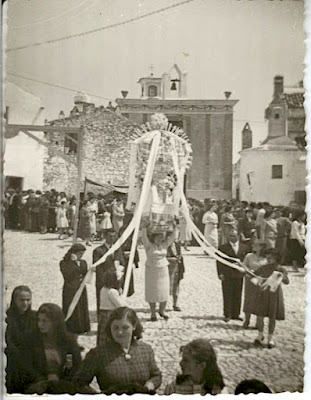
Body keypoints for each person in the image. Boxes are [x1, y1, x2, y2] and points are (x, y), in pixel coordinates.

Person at [73, 307, 162, 395]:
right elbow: (79, 383)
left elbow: (156, 375)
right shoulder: (97, 354)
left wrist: (149, 386)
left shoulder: (145, 350)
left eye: (125, 327)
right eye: (115, 328)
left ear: (134, 326)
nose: (120, 332)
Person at [20, 303, 82, 394]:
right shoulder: (32, 339)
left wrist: (62, 382)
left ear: (55, 322)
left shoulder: (68, 340)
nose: (40, 324)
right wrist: (45, 381)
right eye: (39, 320)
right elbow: (27, 366)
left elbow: (77, 365)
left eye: (45, 321)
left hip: (64, 384)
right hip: (38, 384)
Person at [251, 249, 289, 348]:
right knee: (260, 316)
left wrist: (282, 277)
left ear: (276, 258)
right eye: (267, 257)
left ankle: (270, 338)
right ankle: (260, 335)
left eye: (270, 257)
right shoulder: (263, 267)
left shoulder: (281, 268)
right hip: (263, 294)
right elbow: (253, 275)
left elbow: (287, 281)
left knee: (272, 317)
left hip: (274, 295)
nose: (268, 259)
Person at [5, 286, 37, 393]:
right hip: (13, 360)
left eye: (28, 300)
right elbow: (7, 341)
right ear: (14, 300)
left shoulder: (35, 317)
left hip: (32, 358)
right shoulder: (7, 318)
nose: (25, 303)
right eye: (22, 300)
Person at [142, 221, 176, 321]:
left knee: (164, 290)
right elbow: (144, 236)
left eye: (161, 237)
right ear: (153, 237)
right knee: (152, 291)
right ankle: (153, 313)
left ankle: (162, 310)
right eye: (157, 237)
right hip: (151, 270)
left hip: (163, 270)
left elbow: (173, 237)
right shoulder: (149, 245)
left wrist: (174, 227)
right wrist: (144, 227)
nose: (159, 239)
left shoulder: (164, 245)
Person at [216, 228, 249, 322]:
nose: (232, 238)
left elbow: (247, 261)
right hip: (227, 274)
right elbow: (219, 261)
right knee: (227, 294)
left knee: (238, 294)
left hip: (239, 274)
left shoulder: (244, 247)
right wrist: (220, 273)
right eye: (230, 236)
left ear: (238, 236)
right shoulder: (223, 248)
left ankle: (236, 313)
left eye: (234, 236)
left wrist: (246, 271)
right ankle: (227, 314)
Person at [93, 228, 125, 317]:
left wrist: (119, 272)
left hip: (116, 279)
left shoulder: (117, 249)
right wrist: (107, 279)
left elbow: (122, 262)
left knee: (116, 300)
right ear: (105, 236)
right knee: (103, 302)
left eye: (114, 236)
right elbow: (98, 268)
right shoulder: (98, 251)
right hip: (104, 281)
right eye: (110, 236)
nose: (112, 238)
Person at [60, 244, 90, 334]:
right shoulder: (64, 263)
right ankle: (72, 328)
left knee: (81, 307)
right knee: (72, 306)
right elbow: (67, 274)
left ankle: (82, 327)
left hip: (81, 287)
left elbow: (85, 273)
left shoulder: (83, 262)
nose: (81, 256)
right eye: (80, 254)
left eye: (82, 254)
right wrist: (72, 262)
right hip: (70, 288)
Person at [97, 269, 126, 346]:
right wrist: (121, 296)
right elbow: (121, 305)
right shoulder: (112, 292)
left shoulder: (103, 289)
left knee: (103, 335)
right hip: (110, 315)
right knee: (110, 335)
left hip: (103, 314)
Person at [242, 239, 267, 329]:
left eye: (255, 245)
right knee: (249, 300)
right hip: (250, 282)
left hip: (262, 283)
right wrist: (248, 271)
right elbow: (243, 267)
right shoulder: (249, 256)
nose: (253, 246)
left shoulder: (266, 258)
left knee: (261, 302)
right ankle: (247, 320)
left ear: (261, 247)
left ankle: (259, 322)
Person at [167, 238, 185, 311]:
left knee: (176, 286)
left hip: (176, 268)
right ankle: (161, 304)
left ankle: (175, 304)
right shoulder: (164, 245)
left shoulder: (177, 245)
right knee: (164, 286)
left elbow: (180, 255)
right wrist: (172, 259)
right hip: (166, 268)